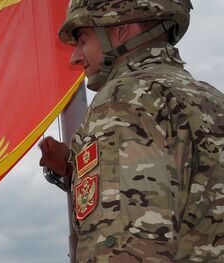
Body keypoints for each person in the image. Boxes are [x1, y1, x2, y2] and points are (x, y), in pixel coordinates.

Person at [38, 0, 224, 261]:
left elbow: (125, 247)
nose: (75, 56)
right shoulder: (212, 98)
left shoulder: (122, 99)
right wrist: (73, 171)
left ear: (120, 30)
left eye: (82, 38)